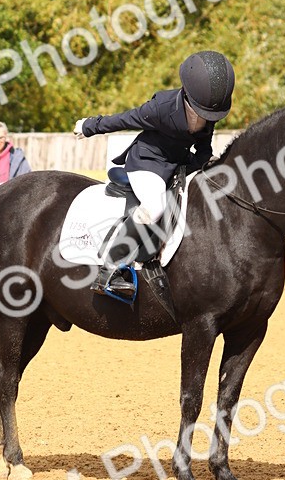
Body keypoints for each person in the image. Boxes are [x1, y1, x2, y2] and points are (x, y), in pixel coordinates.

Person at [74, 50, 235, 299]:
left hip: (180, 164)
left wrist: (203, 164)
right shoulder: (161, 107)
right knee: (154, 206)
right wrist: (90, 126)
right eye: (203, 114)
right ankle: (109, 269)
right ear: (189, 96)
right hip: (148, 162)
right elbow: (125, 120)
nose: (206, 119)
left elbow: (204, 146)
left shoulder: (208, 109)